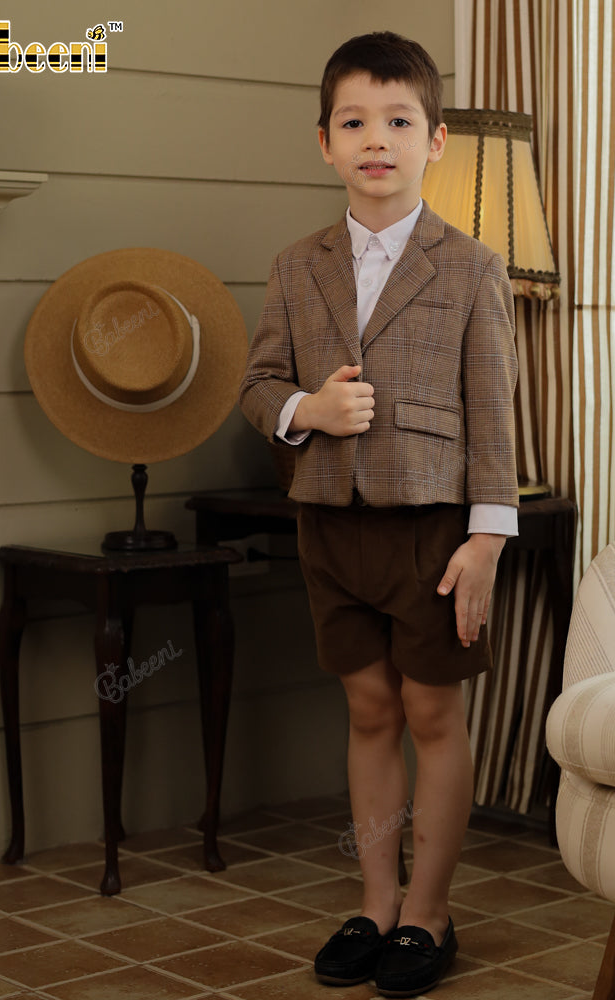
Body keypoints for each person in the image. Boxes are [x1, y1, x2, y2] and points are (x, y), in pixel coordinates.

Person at [238, 30, 518, 998]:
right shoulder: (296, 266)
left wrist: (486, 539)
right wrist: (305, 411)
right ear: (325, 142)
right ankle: (376, 902)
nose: (376, 140)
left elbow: (494, 415)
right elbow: (257, 383)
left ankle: (430, 912)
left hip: (432, 532)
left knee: (431, 711)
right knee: (367, 710)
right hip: (329, 525)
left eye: (398, 121)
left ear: (434, 140)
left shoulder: (472, 268)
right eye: (354, 122)